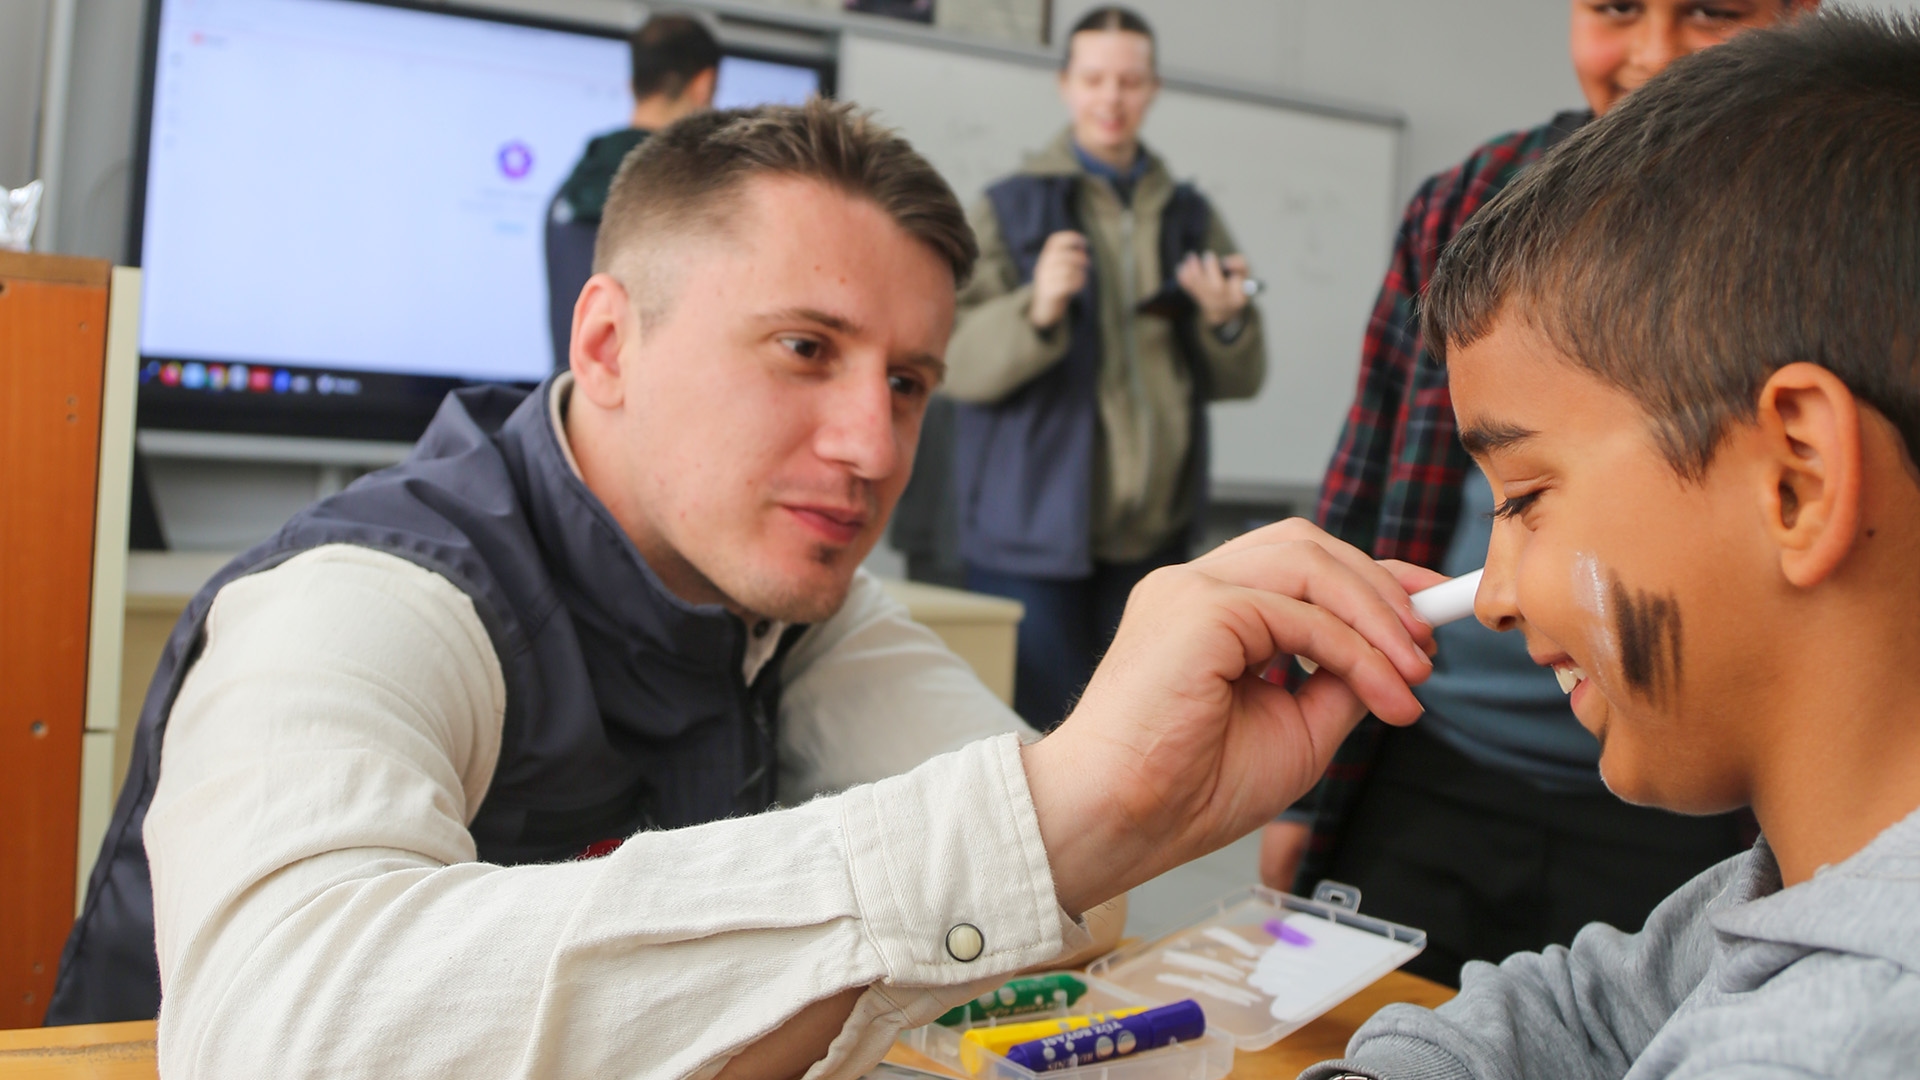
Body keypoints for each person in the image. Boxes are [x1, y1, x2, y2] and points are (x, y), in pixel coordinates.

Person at [51, 100, 1445, 1078]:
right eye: (802, 349)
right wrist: (1065, 814)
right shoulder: (365, 595)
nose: (872, 445)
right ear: (607, 343)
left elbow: (1060, 901)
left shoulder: (793, 600)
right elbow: (285, 1034)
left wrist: (1118, 803)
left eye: (907, 382)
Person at [1304, 13, 1920, 1077]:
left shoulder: (1839, 1040)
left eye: (1530, 494)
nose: (1491, 598)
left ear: (1798, 480)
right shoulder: (1787, 888)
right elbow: (1580, 1013)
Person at [942, 5, 1266, 729]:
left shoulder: (1190, 215)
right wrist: (1037, 308)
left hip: (1153, 544)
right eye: (1094, 79)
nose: (1111, 98)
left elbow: (1242, 378)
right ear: (1065, 85)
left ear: (1152, 89)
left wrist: (1226, 321)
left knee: (1137, 738)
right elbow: (952, 362)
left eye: (1128, 81)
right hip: (1031, 543)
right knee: (1044, 743)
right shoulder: (1007, 207)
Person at [545, 12, 719, 369]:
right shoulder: (689, 193)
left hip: (567, 410)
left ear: (634, 85)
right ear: (703, 85)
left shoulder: (570, 190)